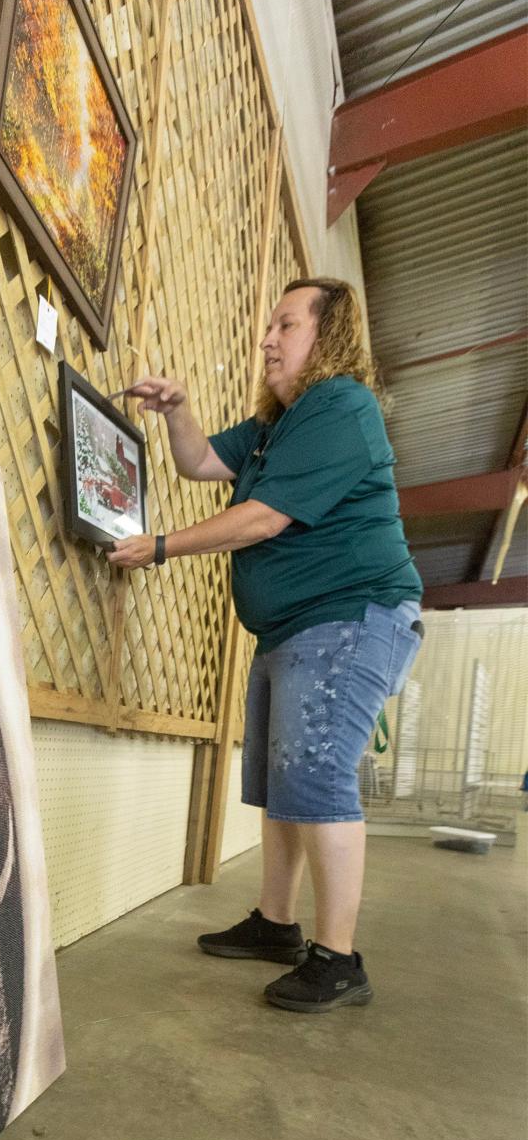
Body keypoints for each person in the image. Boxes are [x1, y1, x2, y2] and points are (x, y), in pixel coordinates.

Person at [108, 278, 423, 1013]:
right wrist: (180, 411)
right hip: (292, 627)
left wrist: (160, 547)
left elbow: (263, 518)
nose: (268, 340)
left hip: (351, 614)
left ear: (328, 335)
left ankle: (340, 958)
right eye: (270, 326)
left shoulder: (341, 406)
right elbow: (198, 465)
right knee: (283, 786)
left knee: (316, 775)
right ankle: (278, 924)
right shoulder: (275, 425)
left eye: (286, 324)